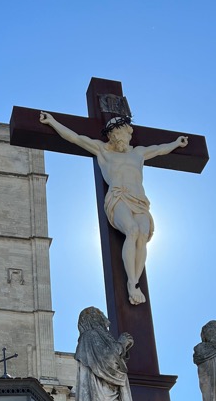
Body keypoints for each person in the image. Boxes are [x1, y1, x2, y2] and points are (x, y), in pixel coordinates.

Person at [39, 111, 188, 305]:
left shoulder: (139, 153)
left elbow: (160, 149)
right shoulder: (103, 151)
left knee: (143, 234)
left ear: (128, 134)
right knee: (132, 231)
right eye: (115, 136)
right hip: (118, 197)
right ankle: (132, 283)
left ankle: (135, 280)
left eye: (123, 135)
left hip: (140, 201)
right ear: (110, 136)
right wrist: (53, 122)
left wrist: (177, 143)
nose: (120, 140)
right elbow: (75, 138)